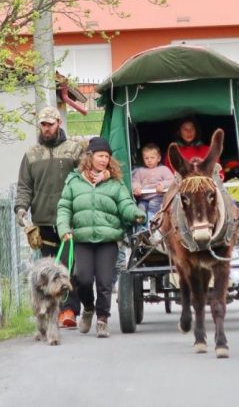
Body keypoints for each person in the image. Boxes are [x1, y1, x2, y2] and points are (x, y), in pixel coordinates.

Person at [57, 137, 145, 338]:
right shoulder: (74, 181)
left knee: (105, 281)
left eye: (107, 156)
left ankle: (103, 319)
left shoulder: (115, 183)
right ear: (90, 156)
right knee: (82, 279)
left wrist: (136, 213)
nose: (104, 160)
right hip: (82, 238)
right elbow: (64, 207)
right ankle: (88, 308)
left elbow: (125, 203)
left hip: (108, 239)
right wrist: (63, 228)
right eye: (100, 156)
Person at [15, 106, 83, 328]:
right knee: (49, 270)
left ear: (58, 123)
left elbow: (85, 178)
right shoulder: (31, 154)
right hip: (43, 220)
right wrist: (21, 208)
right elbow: (25, 186)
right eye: (43, 125)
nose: (46, 128)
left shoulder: (74, 150)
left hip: (70, 219)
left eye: (50, 124)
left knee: (69, 266)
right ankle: (51, 310)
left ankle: (69, 310)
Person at [132, 143, 174, 224]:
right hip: (143, 198)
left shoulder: (163, 169)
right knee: (140, 210)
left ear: (159, 158)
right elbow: (135, 181)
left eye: (152, 158)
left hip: (157, 197)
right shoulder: (140, 171)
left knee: (153, 206)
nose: (149, 160)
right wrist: (136, 188)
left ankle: (151, 226)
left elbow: (172, 180)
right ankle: (140, 229)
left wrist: (162, 185)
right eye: (146, 158)